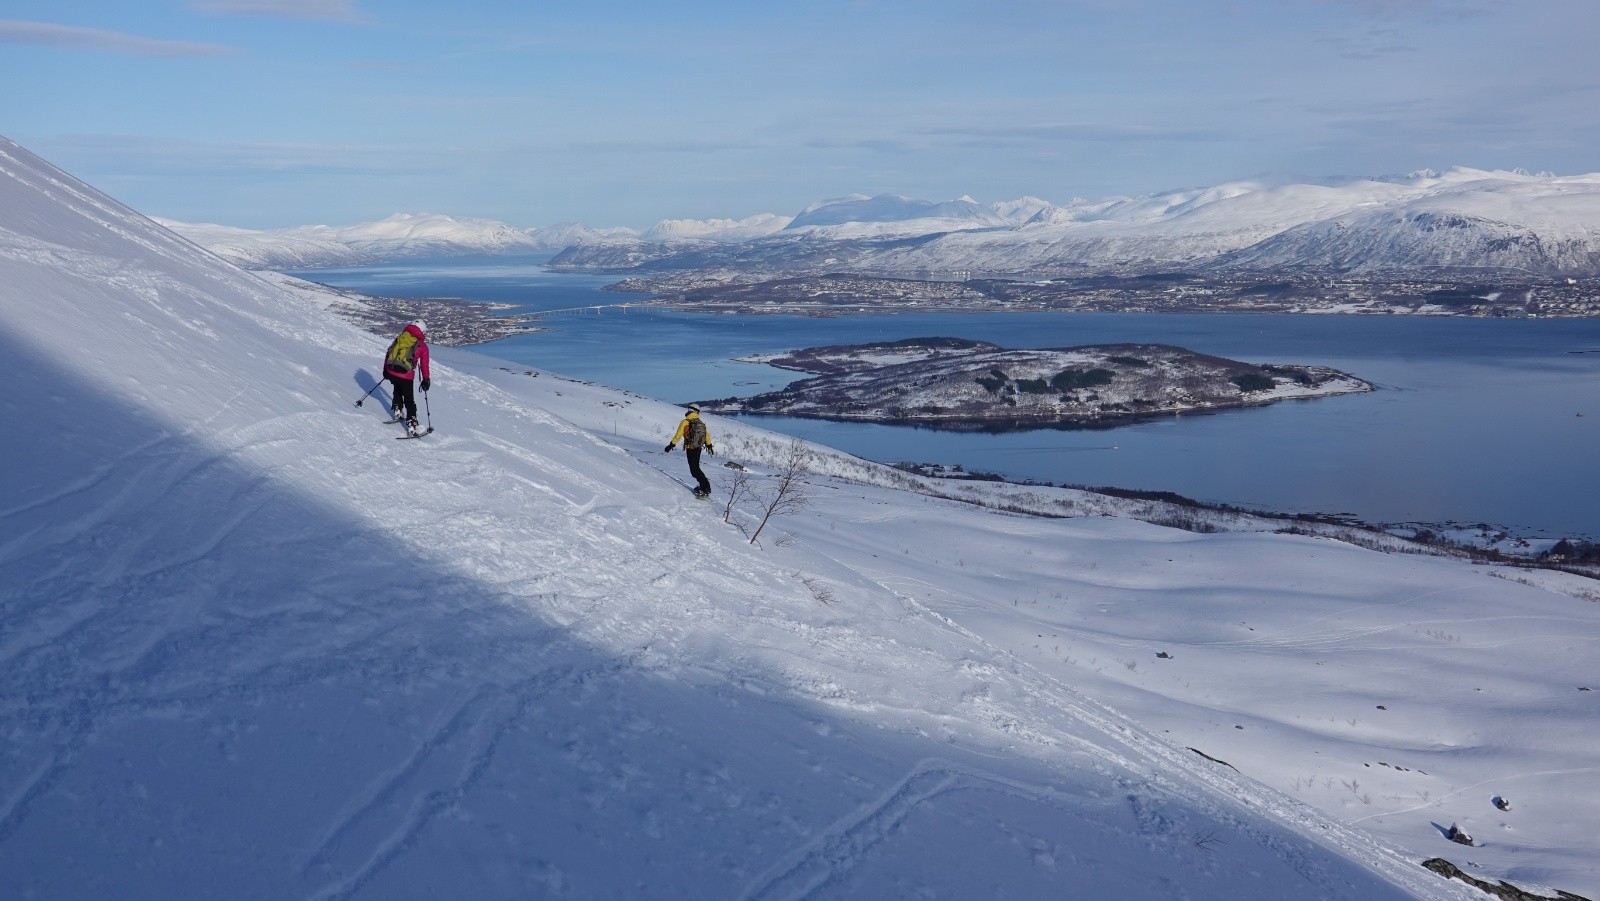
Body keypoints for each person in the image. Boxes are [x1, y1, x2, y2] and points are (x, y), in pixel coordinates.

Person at [383, 320, 431, 436]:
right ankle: (412, 425)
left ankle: (398, 411)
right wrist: (426, 380)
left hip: (392, 371)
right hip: (406, 375)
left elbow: (389, 353)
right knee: (409, 400)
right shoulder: (421, 345)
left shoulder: (401, 337)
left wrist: (385, 370)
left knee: (397, 390)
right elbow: (424, 365)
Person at [664, 404, 714, 497]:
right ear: (697, 412)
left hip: (690, 448)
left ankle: (705, 487)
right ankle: (704, 486)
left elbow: (678, 435)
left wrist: (671, 445)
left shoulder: (685, 422)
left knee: (694, 470)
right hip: (698, 448)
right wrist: (709, 445)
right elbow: (707, 435)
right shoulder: (700, 422)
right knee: (696, 468)